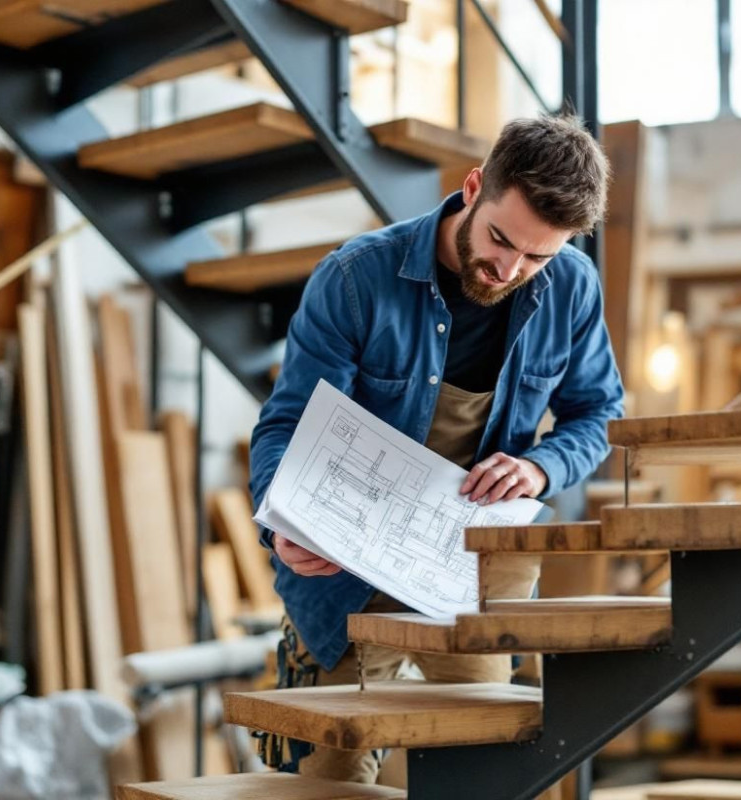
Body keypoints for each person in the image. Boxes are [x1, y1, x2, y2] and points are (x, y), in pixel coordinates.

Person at [248, 114, 624, 783]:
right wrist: (281, 526)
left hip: (474, 575)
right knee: (328, 783)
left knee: (480, 773)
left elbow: (598, 413)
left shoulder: (572, 287)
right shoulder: (356, 279)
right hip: (346, 574)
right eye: (500, 239)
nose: (509, 269)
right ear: (474, 188)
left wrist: (540, 466)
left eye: (537, 257)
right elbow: (286, 426)